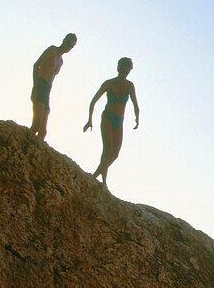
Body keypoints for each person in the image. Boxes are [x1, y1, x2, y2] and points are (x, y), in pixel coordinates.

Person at [84, 57, 140, 187]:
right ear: (118, 68)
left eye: (127, 71)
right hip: (108, 117)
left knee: (115, 153)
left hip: (119, 121)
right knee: (107, 149)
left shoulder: (130, 86)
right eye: (123, 70)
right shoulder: (108, 83)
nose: (125, 73)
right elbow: (93, 101)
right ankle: (103, 182)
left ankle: (94, 176)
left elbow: (135, 104)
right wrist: (89, 120)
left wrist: (137, 118)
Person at [29, 33, 77, 140]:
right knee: (36, 125)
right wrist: (35, 86)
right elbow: (36, 65)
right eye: (68, 43)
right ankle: (24, 144)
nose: (68, 48)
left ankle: (34, 152)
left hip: (47, 90)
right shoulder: (52, 50)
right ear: (64, 40)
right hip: (40, 84)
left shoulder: (61, 61)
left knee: (43, 131)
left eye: (71, 46)